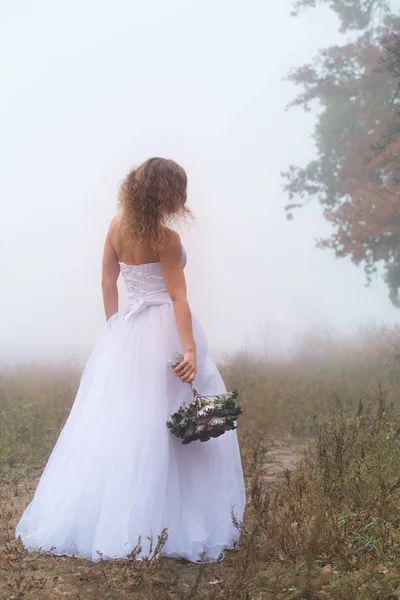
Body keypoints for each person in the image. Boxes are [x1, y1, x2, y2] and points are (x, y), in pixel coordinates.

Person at [16, 157, 246, 563]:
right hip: (166, 331)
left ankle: (124, 518)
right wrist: (189, 349)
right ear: (167, 193)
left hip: (130, 330)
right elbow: (178, 297)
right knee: (180, 420)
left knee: (128, 423)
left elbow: (108, 280)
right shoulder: (166, 238)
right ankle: (181, 518)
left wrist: (115, 329)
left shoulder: (116, 225)